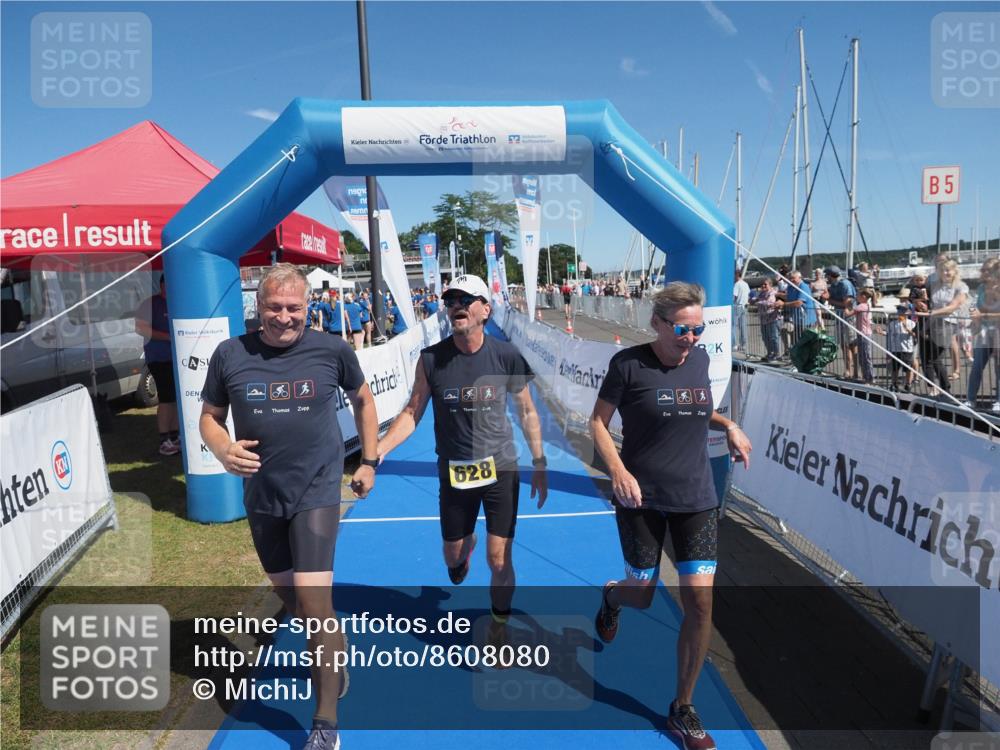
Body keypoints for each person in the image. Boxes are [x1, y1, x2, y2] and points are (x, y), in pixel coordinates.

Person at [199, 264, 379, 750]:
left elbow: (363, 400)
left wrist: (369, 460)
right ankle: (335, 649)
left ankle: (325, 724)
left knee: (316, 606)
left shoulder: (331, 350)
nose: (283, 317)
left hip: (317, 491)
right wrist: (221, 448)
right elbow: (210, 419)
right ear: (258, 308)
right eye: (273, 308)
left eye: (293, 308)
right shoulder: (230, 354)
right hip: (262, 497)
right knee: (295, 603)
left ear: (308, 305)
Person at [589, 282, 752, 750]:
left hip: (696, 497)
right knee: (641, 594)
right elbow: (597, 423)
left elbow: (697, 410)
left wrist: (730, 425)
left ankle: (682, 707)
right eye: (683, 329)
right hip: (640, 497)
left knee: (700, 603)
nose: (692, 338)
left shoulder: (699, 360)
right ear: (657, 323)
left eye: (698, 329)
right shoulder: (628, 365)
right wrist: (617, 470)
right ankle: (612, 597)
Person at [376, 274, 548, 655]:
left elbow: (527, 410)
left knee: (499, 557)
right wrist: (379, 448)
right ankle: (463, 547)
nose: (457, 305)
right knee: (454, 557)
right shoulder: (432, 359)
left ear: (485, 309)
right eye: (451, 298)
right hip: (454, 472)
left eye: (467, 299)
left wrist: (539, 461)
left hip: (501, 468)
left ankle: (499, 626)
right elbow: (411, 412)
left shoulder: (505, 356)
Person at [135, 274, 180, 456]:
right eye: (165, 285)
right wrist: (168, 337)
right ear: (161, 285)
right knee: (166, 398)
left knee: (177, 399)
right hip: (159, 359)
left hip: (178, 359)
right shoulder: (149, 304)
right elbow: (141, 328)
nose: (168, 290)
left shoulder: (180, 301)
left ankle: (175, 436)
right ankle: (164, 439)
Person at [923, 259, 969, 395]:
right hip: (933, 323)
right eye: (942, 270)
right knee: (928, 359)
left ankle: (945, 388)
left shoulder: (960, 287)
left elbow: (953, 306)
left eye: (948, 270)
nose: (945, 272)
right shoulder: (938, 285)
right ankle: (938, 388)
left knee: (934, 359)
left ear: (955, 271)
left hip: (947, 323)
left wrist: (933, 312)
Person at [964, 258, 1000, 413]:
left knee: (999, 368)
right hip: (984, 332)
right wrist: (973, 313)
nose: (982, 272)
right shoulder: (980, 288)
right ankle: (970, 399)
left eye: (985, 269)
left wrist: (983, 315)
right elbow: (973, 305)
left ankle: (998, 401)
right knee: (977, 366)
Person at [822, 266, 857, 380]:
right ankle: (848, 370)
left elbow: (847, 305)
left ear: (831, 275)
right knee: (844, 345)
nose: (825, 277)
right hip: (839, 317)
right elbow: (828, 297)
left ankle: (855, 371)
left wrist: (829, 300)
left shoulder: (844, 284)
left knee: (851, 345)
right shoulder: (833, 285)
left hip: (849, 318)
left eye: (826, 275)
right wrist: (826, 297)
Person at [884, 303, 917, 393]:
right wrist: (881, 332)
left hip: (907, 349)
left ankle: (908, 384)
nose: (900, 312)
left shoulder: (912, 323)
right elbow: (888, 333)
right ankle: (894, 384)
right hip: (895, 349)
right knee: (894, 369)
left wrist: (907, 328)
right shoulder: (892, 323)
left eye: (903, 310)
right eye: (899, 310)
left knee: (908, 368)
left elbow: (914, 334)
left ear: (908, 312)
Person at [846, 289, 875, 384]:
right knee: (863, 356)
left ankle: (870, 378)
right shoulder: (865, 305)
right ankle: (866, 376)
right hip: (862, 333)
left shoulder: (862, 306)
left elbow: (848, 314)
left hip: (864, 334)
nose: (857, 297)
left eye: (858, 295)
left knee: (866, 356)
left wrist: (846, 305)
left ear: (864, 297)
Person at [756, 278, 782, 362]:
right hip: (763, 319)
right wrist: (754, 300)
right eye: (762, 284)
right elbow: (756, 300)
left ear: (770, 285)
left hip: (772, 318)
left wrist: (759, 302)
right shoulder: (761, 293)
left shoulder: (773, 293)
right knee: (765, 337)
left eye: (765, 284)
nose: (763, 286)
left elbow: (770, 303)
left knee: (773, 337)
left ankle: (776, 354)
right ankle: (770, 353)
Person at [732, 270, 750, 353]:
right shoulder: (745, 284)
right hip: (744, 306)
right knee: (743, 326)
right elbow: (748, 294)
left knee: (734, 326)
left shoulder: (736, 284)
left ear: (736, 275)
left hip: (737, 306)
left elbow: (734, 297)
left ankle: (734, 344)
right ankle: (743, 345)